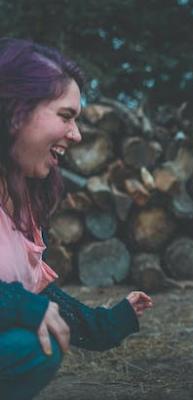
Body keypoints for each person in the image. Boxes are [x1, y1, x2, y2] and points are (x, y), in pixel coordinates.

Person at [0, 38, 153, 399]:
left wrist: (104, 324)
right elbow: (27, 304)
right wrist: (27, 308)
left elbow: (37, 295)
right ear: (15, 109)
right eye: (66, 116)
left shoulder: (17, 200)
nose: (77, 134)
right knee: (29, 346)